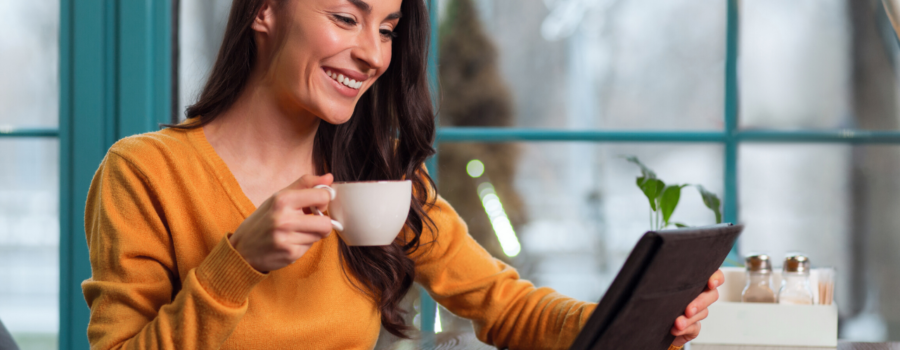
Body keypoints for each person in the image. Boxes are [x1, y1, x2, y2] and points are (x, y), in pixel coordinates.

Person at [82, 0, 723, 349]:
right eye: (345, 17)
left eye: (387, 28)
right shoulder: (145, 172)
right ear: (263, 10)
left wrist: (630, 324)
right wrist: (237, 264)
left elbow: (505, 306)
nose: (372, 53)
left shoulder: (379, 178)